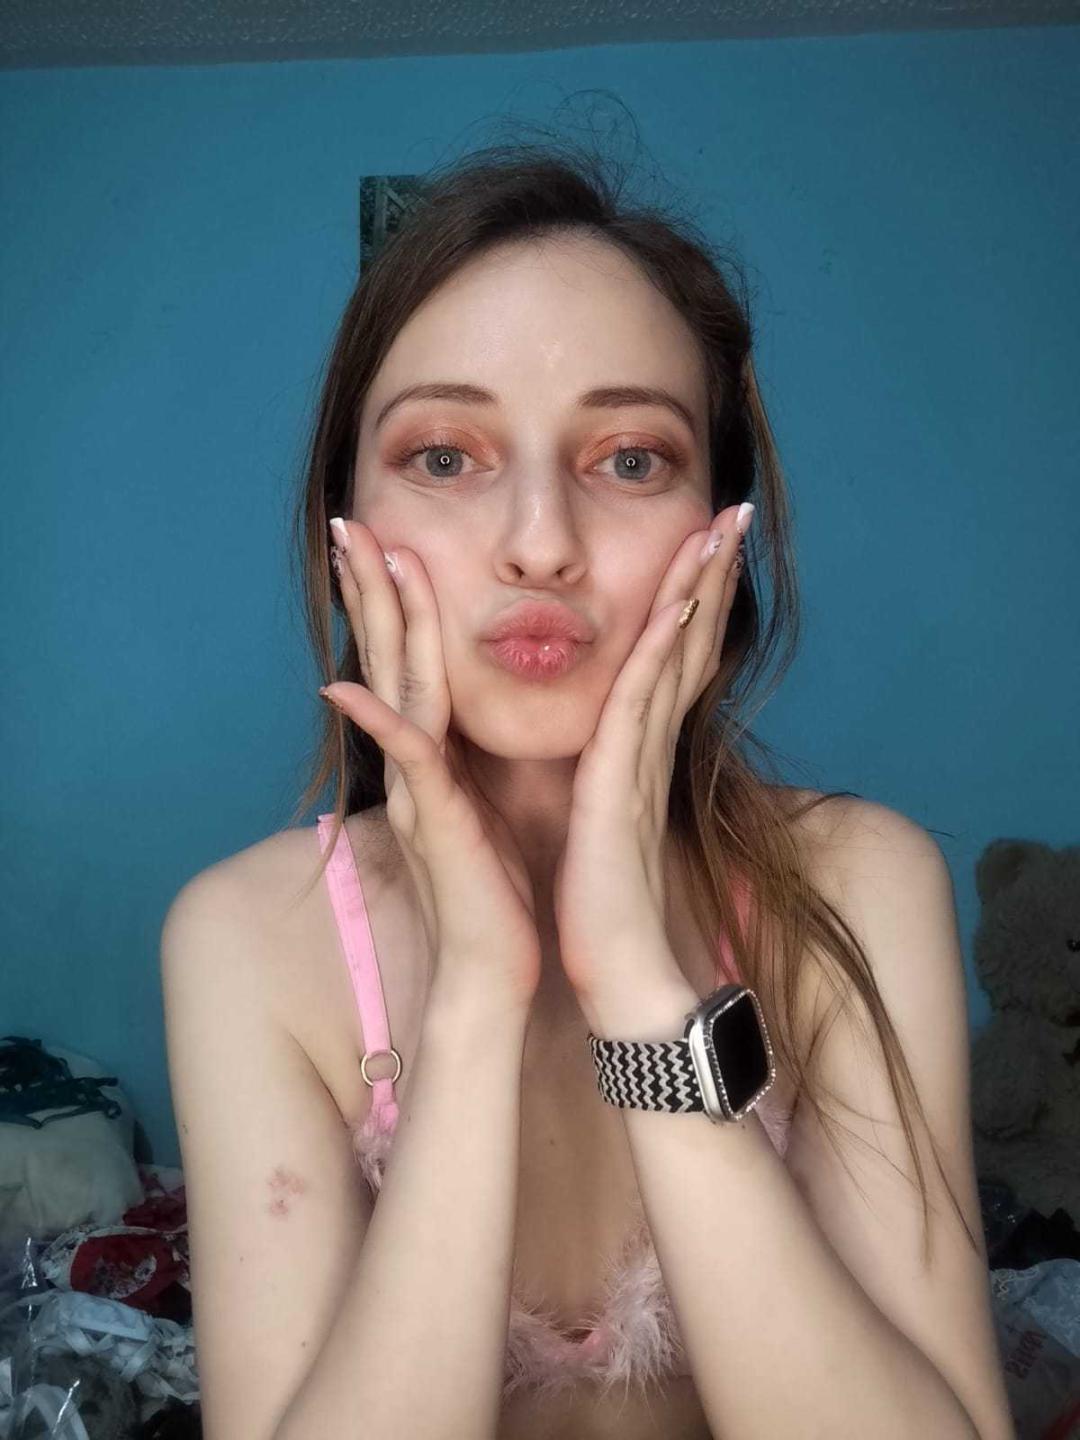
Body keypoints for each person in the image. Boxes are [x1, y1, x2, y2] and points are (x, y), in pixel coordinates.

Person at [160, 132, 1015, 1440]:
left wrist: (630, 974)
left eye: (630, 460)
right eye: (445, 457)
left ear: (722, 534)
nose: (542, 543)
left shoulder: (859, 885)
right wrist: (477, 994)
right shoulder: (246, 938)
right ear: (346, 533)